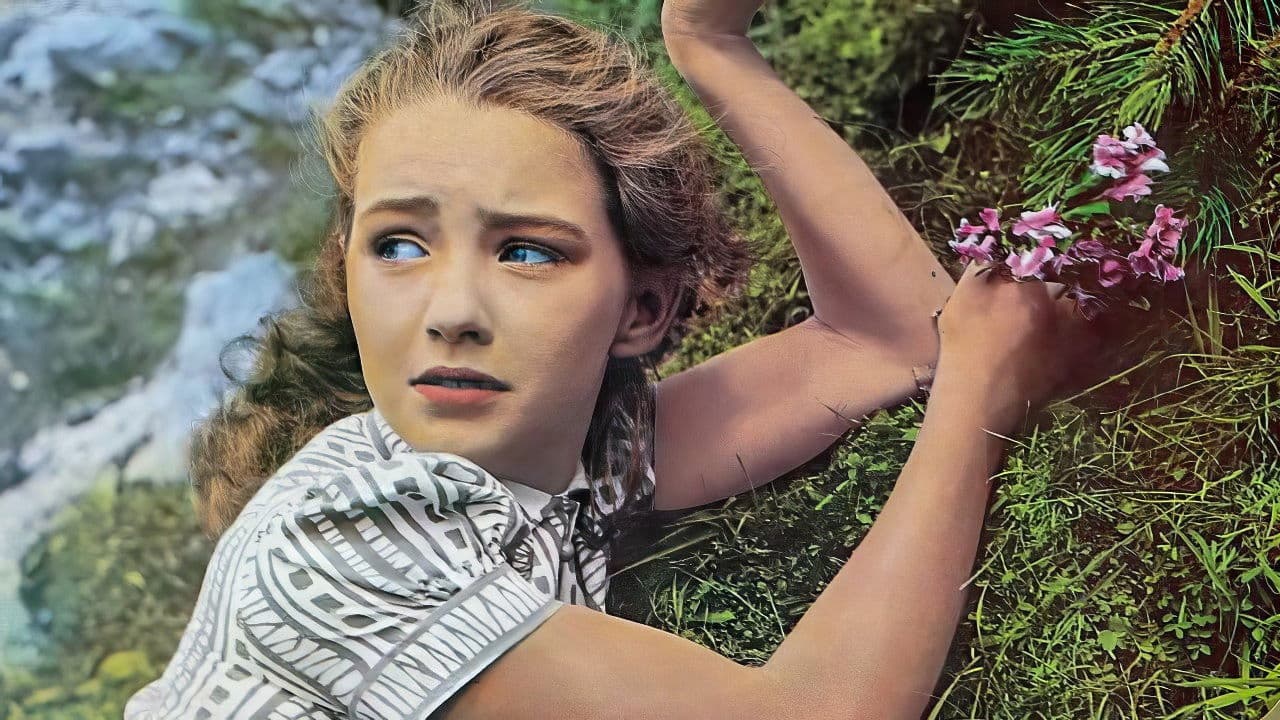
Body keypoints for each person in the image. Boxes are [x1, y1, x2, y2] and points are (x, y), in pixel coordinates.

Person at [124, 0, 1101, 717]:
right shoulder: (334, 544)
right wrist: (982, 392)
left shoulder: (568, 450)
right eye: (400, 244)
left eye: (526, 252)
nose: (450, 312)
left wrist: (710, 48)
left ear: (641, 309)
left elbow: (883, 341)